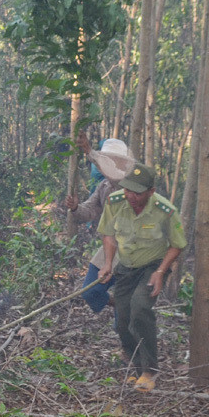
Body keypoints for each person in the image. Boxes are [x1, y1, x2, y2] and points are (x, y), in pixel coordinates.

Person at [97, 163, 187, 393]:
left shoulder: (165, 210)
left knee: (140, 308)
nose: (131, 196)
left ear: (151, 191)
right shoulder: (115, 202)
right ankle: (137, 370)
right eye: (128, 190)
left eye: (137, 192)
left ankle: (150, 371)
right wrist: (108, 263)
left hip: (153, 264)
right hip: (126, 265)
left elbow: (177, 245)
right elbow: (108, 234)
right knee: (123, 317)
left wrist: (160, 272)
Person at [64, 134, 134, 313]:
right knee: (90, 291)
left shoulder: (130, 184)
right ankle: (116, 303)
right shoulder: (104, 186)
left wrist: (90, 152)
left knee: (123, 320)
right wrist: (75, 207)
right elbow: (90, 210)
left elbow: (116, 176)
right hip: (110, 246)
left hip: (133, 251)